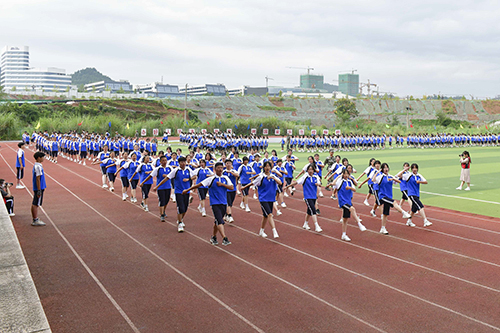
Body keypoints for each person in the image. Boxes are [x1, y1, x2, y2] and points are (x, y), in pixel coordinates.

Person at [184, 162, 233, 246]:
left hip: (224, 202)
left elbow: (231, 187)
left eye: (221, 168)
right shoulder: (211, 179)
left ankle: (213, 237)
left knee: (217, 221)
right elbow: (199, 184)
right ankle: (224, 238)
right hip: (215, 203)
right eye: (218, 168)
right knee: (220, 221)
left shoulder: (225, 178)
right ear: (214, 169)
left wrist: (222, 184)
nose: (220, 169)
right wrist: (188, 190)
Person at [154, 156, 195, 232]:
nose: (183, 163)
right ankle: (179, 223)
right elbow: (167, 178)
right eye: (181, 162)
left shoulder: (188, 169)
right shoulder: (175, 171)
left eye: (184, 162)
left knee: (185, 208)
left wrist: (189, 179)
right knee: (181, 207)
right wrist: (157, 186)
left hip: (187, 191)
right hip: (178, 192)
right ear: (179, 163)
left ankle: (181, 219)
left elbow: (194, 176)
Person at [241, 161, 281, 238]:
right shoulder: (261, 177)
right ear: (263, 167)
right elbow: (253, 183)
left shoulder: (273, 176)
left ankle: (261, 231)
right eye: (265, 166)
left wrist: (273, 178)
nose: (267, 168)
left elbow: (280, 183)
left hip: (271, 199)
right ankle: (274, 231)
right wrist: (244, 187)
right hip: (263, 199)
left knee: (265, 216)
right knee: (270, 214)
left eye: (269, 166)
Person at [372, 163, 412, 234]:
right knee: (394, 202)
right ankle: (404, 213)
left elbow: (399, 181)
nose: (386, 169)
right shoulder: (380, 176)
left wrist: (393, 179)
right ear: (382, 169)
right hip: (382, 196)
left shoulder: (390, 176)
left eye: (387, 167)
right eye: (384, 168)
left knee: (385, 214)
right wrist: (377, 172)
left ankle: (383, 228)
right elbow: (373, 180)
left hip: (389, 196)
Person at [284, 164, 323, 233]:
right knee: (313, 210)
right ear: (307, 170)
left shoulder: (315, 176)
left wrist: (318, 184)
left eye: (312, 169)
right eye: (309, 169)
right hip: (307, 196)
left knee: (309, 211)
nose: (310, 171)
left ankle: (305, 223)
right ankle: (317, 226)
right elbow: (296, 182)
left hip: (314, 196)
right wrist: (287, 186)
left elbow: (319, 183)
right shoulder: (305, 177)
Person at [335, 169, 367, 241]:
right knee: (352, 209)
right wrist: (338, 177)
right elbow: (334, 184)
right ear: (342, 174)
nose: (346, 175)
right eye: (345, 174)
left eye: (347, 174)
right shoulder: (340, 181)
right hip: (342, 202)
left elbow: (354, 189)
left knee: (345, 219)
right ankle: (359, 224)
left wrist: (349, 187)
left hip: (348, 201)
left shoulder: (349, 181)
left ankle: (343, 234)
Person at [143, 155, 173, 222]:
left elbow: (173, 175)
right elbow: (150, 176)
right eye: (163, 160)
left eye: (165, 160)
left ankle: (164, 211)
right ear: (160, 162)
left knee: (167, 200)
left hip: (168, 187)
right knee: (162, 200)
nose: (164, 162)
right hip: (160, 187)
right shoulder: (157, 169)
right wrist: (143, 182)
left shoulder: (170, 168)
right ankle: (162, 214)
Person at [31, 151, 46, 226]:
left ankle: (35, 218)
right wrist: (39, 190)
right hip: (39, 188)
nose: (44, 158)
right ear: (39, 158)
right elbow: (38, 178)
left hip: (39, 187)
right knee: (36, 203)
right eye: (43, 157)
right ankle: (35, 219)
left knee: (35, 203)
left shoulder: (38, 165)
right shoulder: (38, 167)